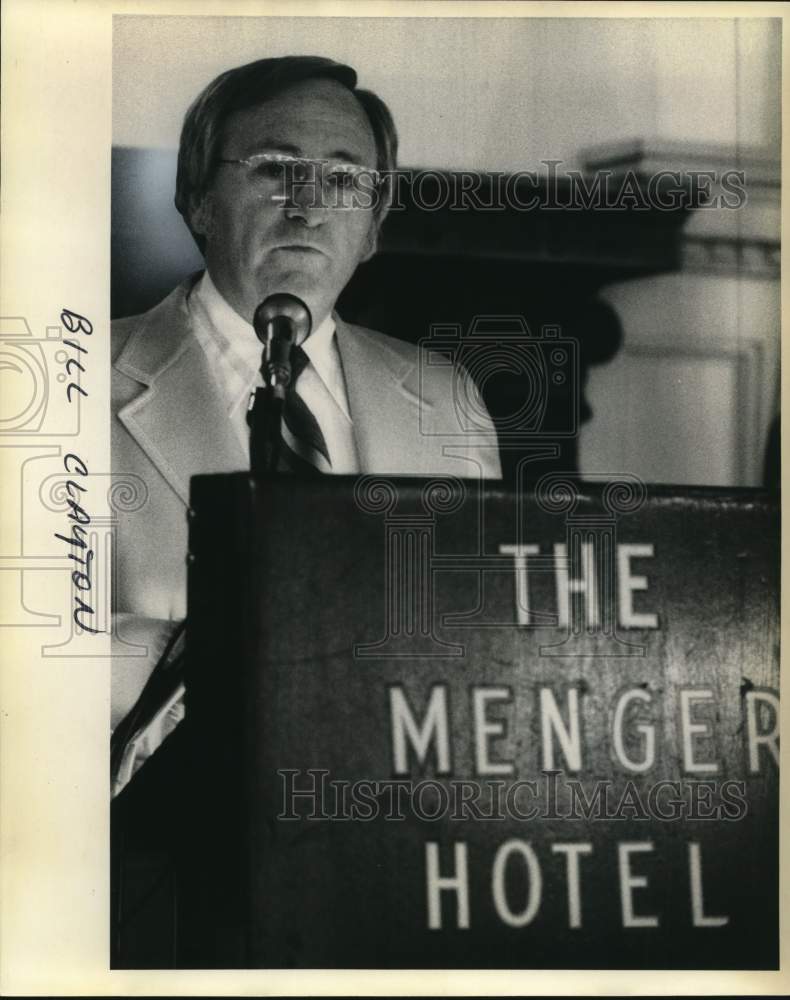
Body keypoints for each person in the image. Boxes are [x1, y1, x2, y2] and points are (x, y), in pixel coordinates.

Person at [111, 55, 501, 753]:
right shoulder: (66, 380)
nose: (308, 204)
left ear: (376, 224)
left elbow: (479, 649)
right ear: (197, 199)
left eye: (345, 178)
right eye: (272, 168)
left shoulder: (447, 403)